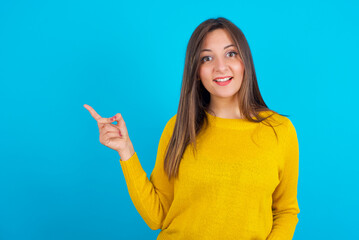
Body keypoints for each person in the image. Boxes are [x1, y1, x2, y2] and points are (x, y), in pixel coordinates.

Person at [84, 17, 300, 240]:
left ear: (245, 60)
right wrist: (126, 151)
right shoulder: (179, 127)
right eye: (207, 58)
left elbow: (286, 211)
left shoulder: (279, 130)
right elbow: (156, 216)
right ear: (196, 71)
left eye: (231, 53)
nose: (220, 67)